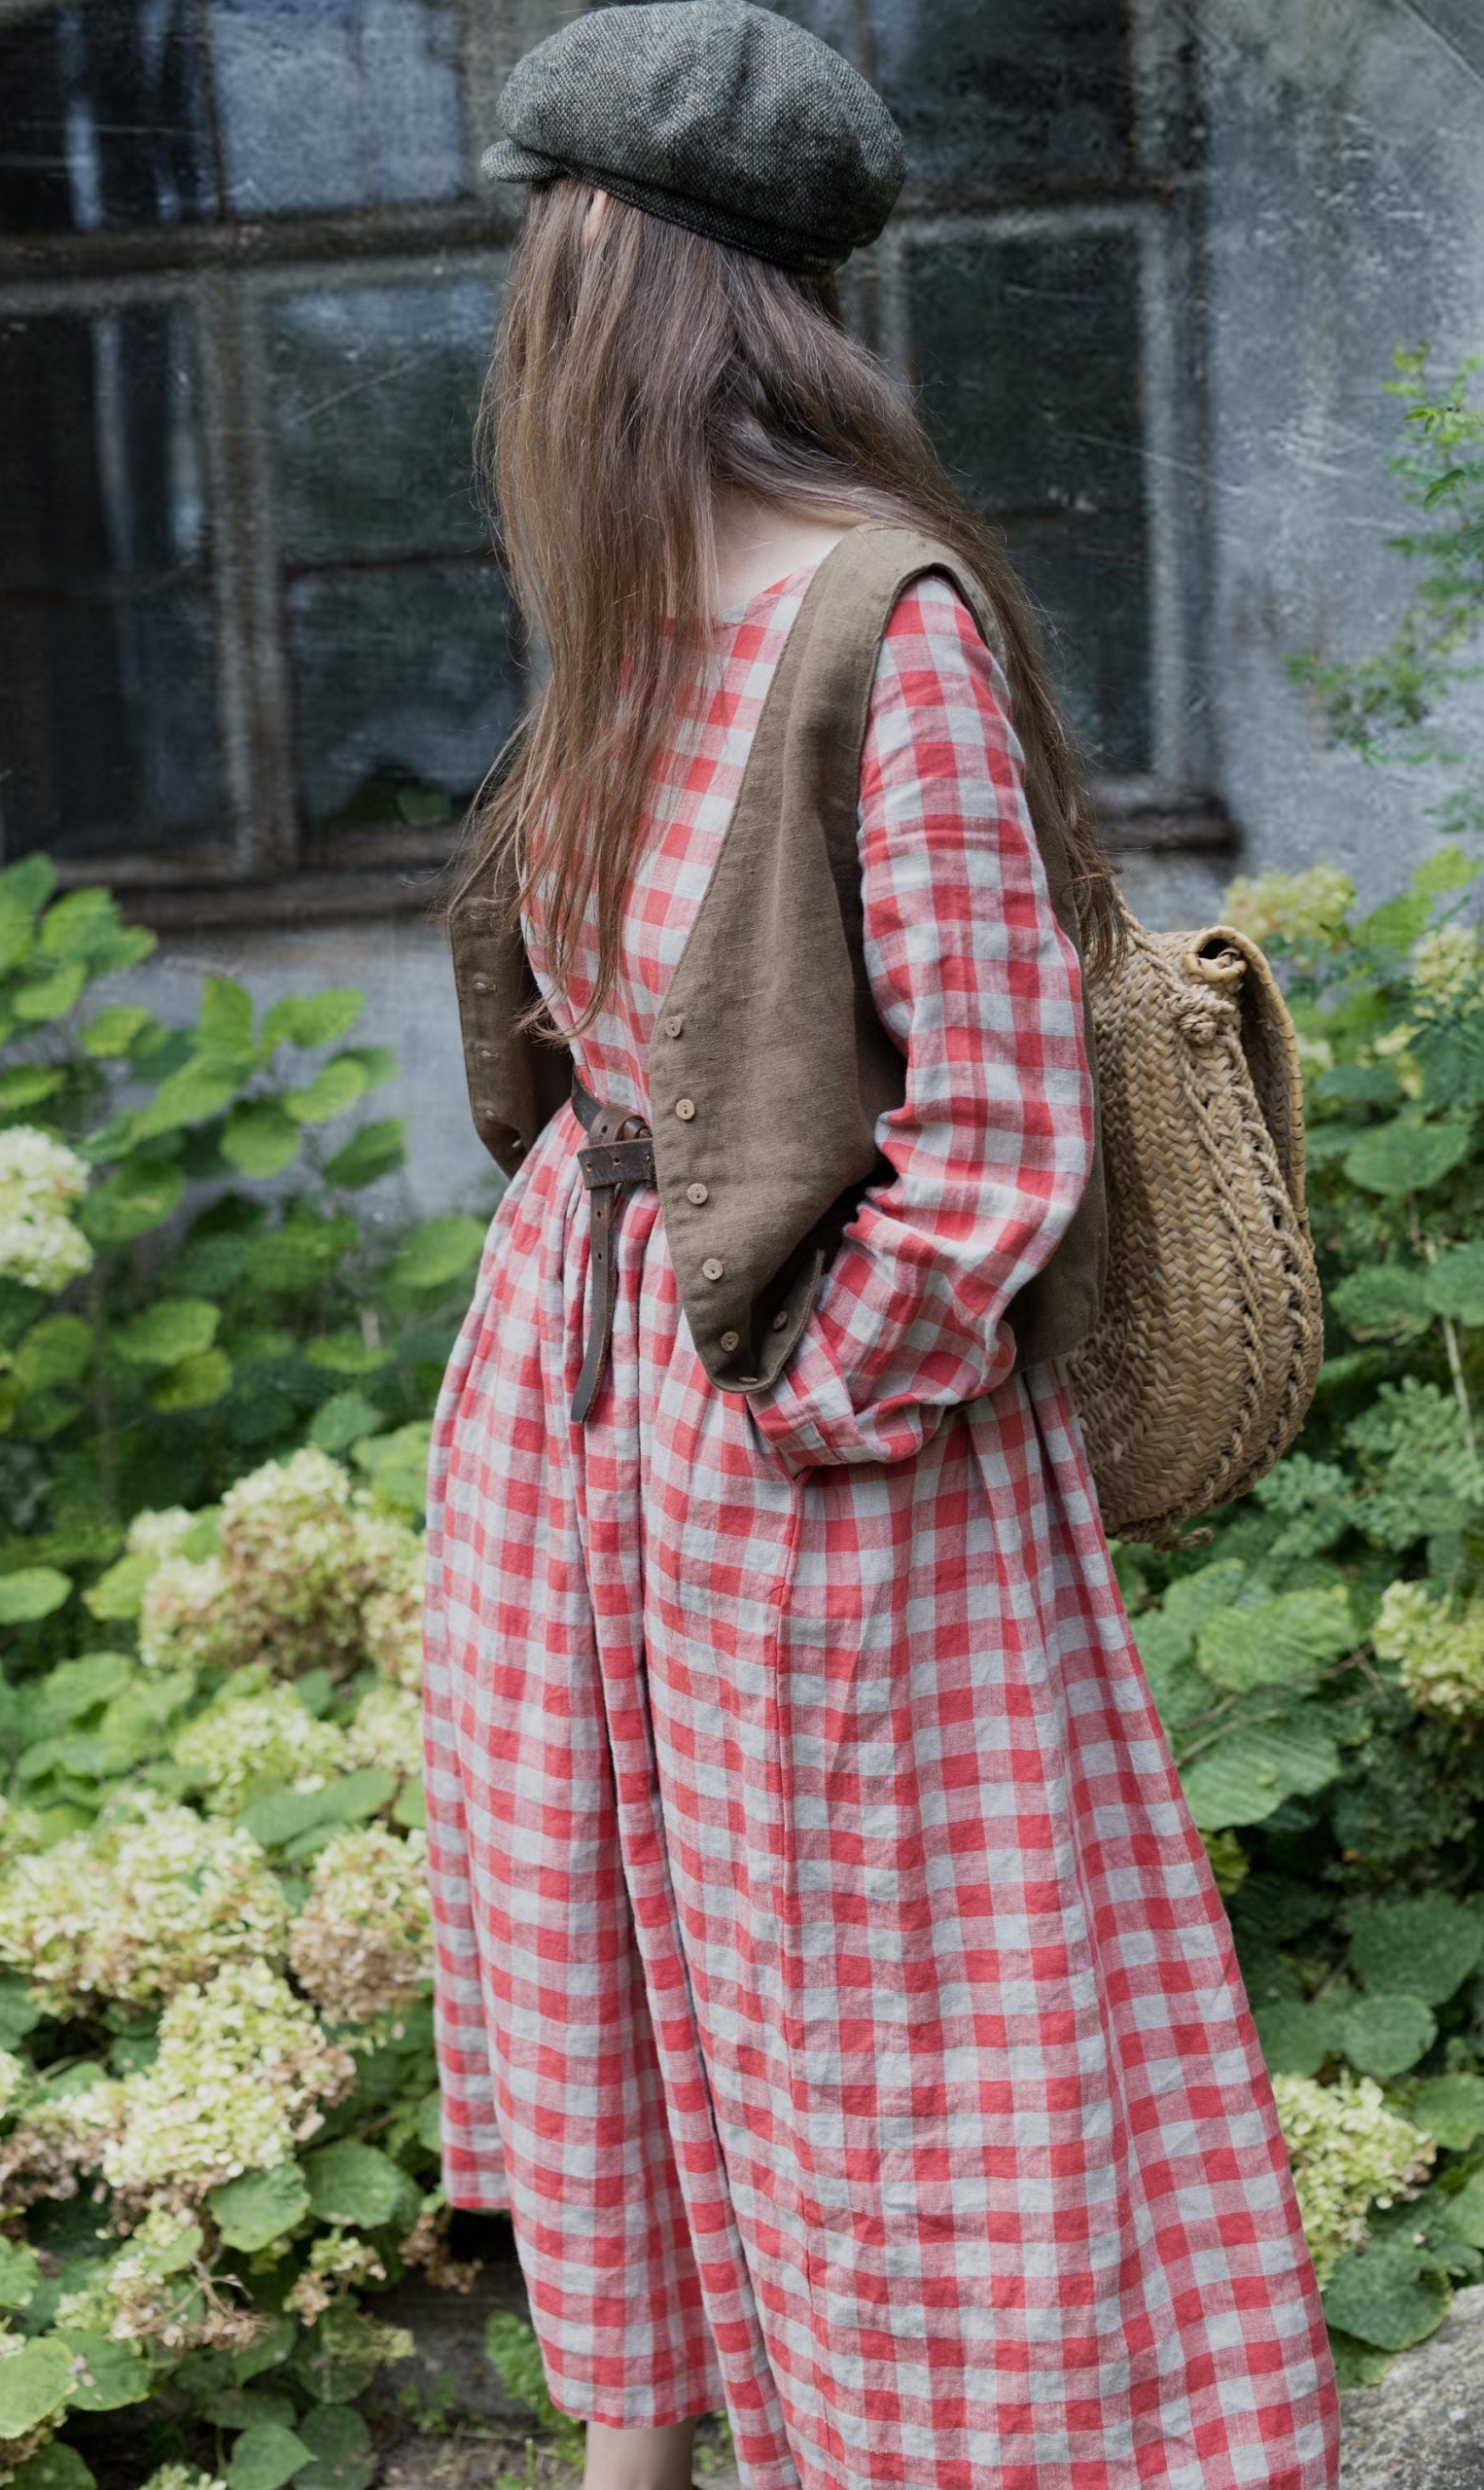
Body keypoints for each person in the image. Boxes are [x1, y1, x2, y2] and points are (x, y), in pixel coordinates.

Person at [422, 8, 1341, 2488]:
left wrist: (821, 1393)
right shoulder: (630, 610)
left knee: (882, 2033)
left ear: (624, 279)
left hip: (815, 1457)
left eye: (546, 246)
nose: (517, 304)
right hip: (591, 1408)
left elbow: (1003, 1124)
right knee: (623, 1962)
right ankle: (647, 2439)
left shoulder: (871, 623)